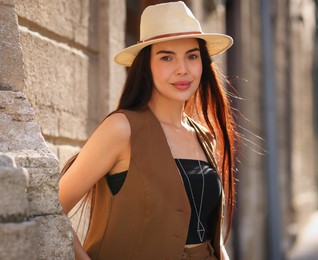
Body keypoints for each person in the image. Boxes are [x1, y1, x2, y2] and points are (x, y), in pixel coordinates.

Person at [59, 1, 237, 259]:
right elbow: (54, 205)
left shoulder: (203, 136)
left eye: (192, 56)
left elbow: (212, 235)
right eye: (167, 57)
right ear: (146, 65)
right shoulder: (122, 129)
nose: (182, 69)